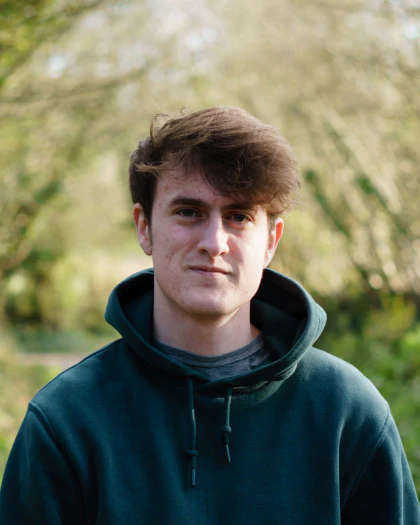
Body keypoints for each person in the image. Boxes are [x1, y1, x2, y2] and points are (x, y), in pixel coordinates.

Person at [0, 106, 419, 524]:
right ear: (144, 226)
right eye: (188, 212)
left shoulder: (349, 414)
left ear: (271, 240)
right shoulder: (66, 420)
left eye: (238, 217)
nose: (214, 242)